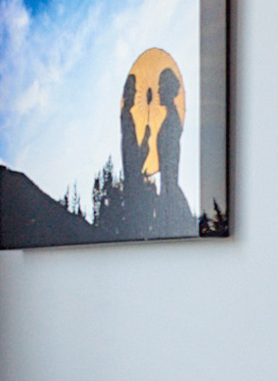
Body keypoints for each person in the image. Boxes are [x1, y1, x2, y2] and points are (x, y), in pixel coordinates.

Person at [80, 44, 207, 238]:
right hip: (158, 186)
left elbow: (163, 158)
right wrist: (146, 141)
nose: (158, 92)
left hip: (167, 186)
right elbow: (132, 156)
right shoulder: (131, 120)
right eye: (131, 90)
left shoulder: (170, 120)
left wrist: (146, 143)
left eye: (161, 87)